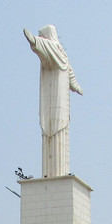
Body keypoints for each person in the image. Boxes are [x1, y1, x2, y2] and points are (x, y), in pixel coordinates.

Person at [24, 25, 83, 178]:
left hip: (61, 102)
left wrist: (76, 86)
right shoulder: (53, 51)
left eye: (42, 36)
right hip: (49, 100)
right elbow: (45, 48)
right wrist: (34, 41)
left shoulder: (58, 51)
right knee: (50, 131)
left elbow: (70, 72)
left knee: (60, 130)